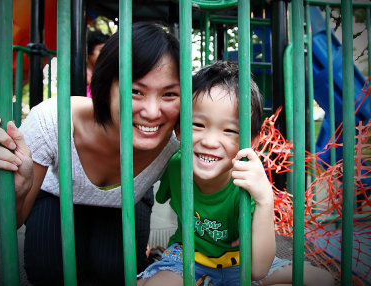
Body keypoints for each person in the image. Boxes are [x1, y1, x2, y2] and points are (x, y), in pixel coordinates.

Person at [0, 22, 180, 285]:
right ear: (106, 89)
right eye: (135, 91)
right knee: (50, 272)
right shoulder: (54, 121)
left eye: (169, 94)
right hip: (55, 196)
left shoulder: (178, 140)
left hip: (126, 202)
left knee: (119, 272)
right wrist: (15, 192)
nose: (153, 112)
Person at [137, 61, 334, 286]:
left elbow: (258, 269)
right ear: (179, 130)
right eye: (198, 125)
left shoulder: (247, 180)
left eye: (230, 130)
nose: (210, 142)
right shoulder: (175, 165)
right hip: (187, 257)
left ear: (251, 142)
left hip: (242, 262)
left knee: (322, 280)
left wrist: (264, 200)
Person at [86, 30, 109, 98]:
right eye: (101, 50)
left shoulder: (98, 74)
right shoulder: (80, 76)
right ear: (89, 51)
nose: (105, 55)